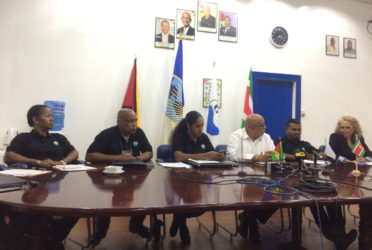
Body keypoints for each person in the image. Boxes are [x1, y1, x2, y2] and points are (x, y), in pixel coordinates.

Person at [4, 104, 79, 249]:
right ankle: (37, 239)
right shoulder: (24, 138)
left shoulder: (58, 137)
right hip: (32, 187)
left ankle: (54, 238)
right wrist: (38, 162)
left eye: (52, 116)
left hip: (59, 185)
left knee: (75, 209)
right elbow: (9, 156)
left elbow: (74, 152)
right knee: (36, 212)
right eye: (48, 116)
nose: (52, 119)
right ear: (35, 120)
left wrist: (63, 161)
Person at [277, 119, 357, 249]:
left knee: (332, 196)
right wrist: (295, 157)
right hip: (288, 182)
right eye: (294, 129)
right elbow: (276, 155)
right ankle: (335, 237)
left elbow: (318, 154)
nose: (297, 132)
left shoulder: (305, 144)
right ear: (286, 130)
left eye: (299, 129)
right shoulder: (279, 143)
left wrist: (318, 154)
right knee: (314, 201)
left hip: (308, 180)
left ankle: (339, 236)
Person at [85, 108, 158, 244]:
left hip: (134, 175)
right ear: (119, 122)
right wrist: (118, 157)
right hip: (110, 177)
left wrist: (138, 159)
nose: (134, 124)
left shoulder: (139, 133)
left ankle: (136, 225)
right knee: (106, 203)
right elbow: (90, 155)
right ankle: (101, 230)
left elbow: (149, 152)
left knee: (144, 197)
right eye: (129, 121)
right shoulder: (107, 134)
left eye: (135, 120)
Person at [170, 110, 224, 244]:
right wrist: (205, 155)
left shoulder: (204, 138)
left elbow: (212, 154)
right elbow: (178, 156)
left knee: (200, 206)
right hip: (181, 178)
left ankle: (178, 218)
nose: (201, 129)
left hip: (200, 179)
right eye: (197, 126)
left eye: (202, 126)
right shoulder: (180, 136)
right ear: (188, 126)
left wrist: (218, 156)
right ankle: (182, 224)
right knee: (186, 203)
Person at [227, 114, 275, 243]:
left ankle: (247, 217)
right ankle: (252, 224)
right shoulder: (236, 136)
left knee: (278, 195)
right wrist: (255, 157)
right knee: (250, 195)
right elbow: (233, 155)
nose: (265, 127)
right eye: (262, 125)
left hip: (263, 177)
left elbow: (272, 155)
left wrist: (272, 156)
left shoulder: (267, 137)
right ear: (252, 127)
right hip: (240, 176)